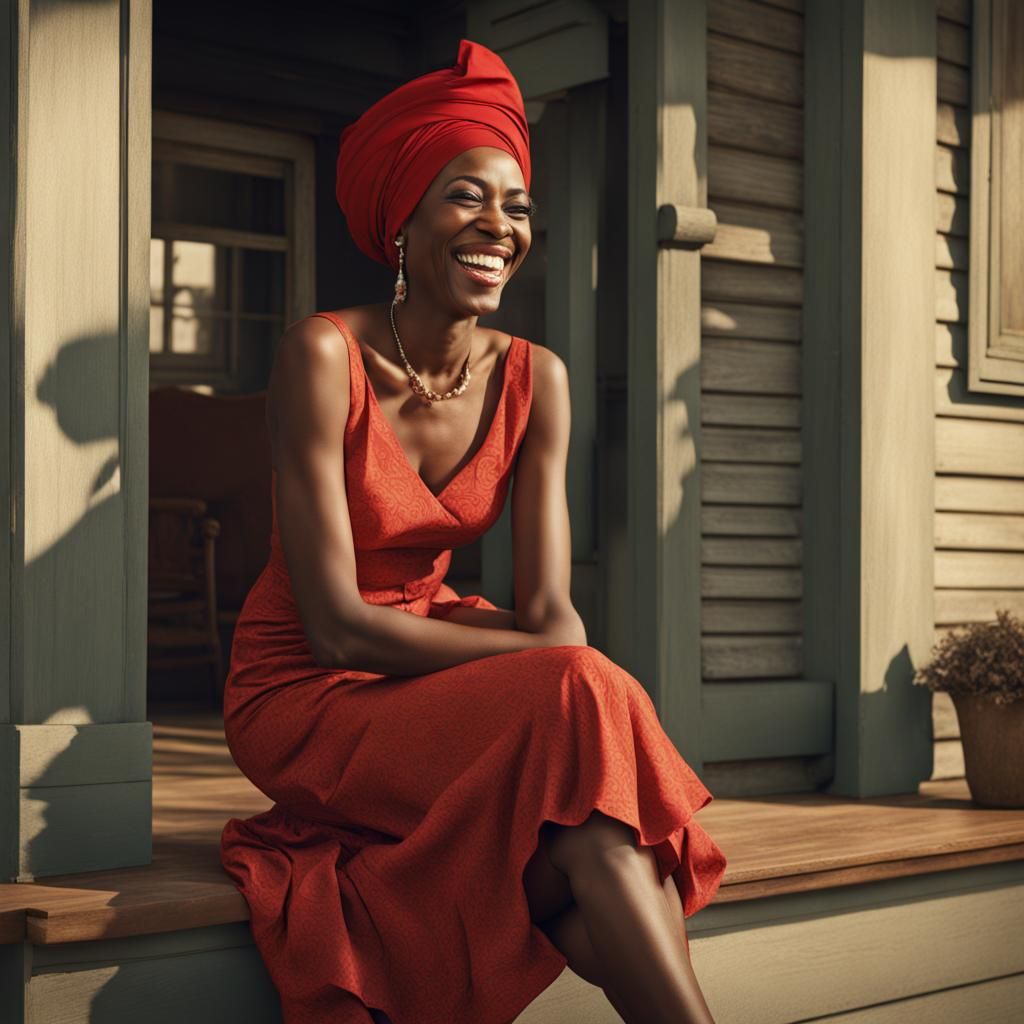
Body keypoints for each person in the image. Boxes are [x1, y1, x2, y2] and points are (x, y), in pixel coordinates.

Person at [219, 38, 727, 1024]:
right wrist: (543, 661)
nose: (500, 225)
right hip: (304, 691)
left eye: (518, 206)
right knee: (582, 693)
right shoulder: (322, 355)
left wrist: (547, 657)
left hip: (431, 655)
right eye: (466, 197)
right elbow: (336, 629)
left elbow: (554, 614)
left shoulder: (537, 379)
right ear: (401, 225)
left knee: (592, 838)